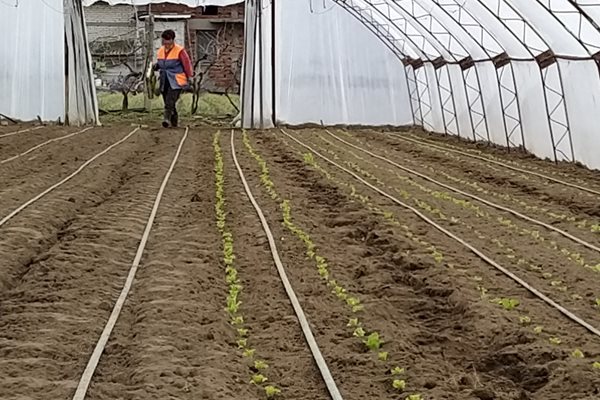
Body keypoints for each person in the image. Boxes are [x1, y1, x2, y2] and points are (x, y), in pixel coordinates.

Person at [153, 29, 194, 128]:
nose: (166, 42)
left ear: (172, 40)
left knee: (170, 101)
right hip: (164, 80)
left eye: (168, 40)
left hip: (176, 80)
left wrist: (190, 77)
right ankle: (174, 123)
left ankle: (166, 119)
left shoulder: (180, 51)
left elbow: (187, 64)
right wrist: (156, 66)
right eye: (164, 40)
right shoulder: (161, 50)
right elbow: (161, 63)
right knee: (169, 102)